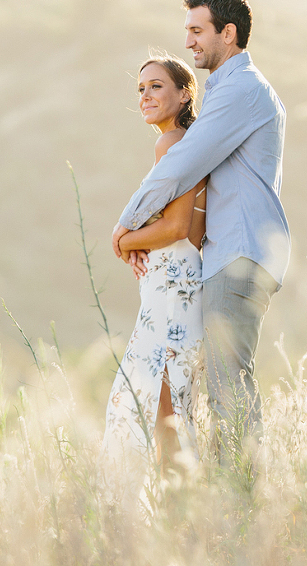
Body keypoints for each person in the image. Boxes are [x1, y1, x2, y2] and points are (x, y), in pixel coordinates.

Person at [112, 0, 289, 462]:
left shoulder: (240, 91)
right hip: (233, 252)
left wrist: (125, 228)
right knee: (216, 385)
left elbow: (183, 164)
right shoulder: (231, 91)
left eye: (197, 30)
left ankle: (244, 495)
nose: (189, 42)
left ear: (227, 33)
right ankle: (228, 492)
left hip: (240, 251)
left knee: (228, 383)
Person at [102, 53, 209, 470]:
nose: (145, 95)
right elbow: (192, 231)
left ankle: (178, 509)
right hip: (173, 283)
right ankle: (179, 508)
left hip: (173, 290)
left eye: (156, 86)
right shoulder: (186, 144)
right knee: (167, 406)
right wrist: (137, 242)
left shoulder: (174, 143)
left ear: (185, 94)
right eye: (141, 88)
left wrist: (126, 240)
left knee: (160, 409)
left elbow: (178, 227)